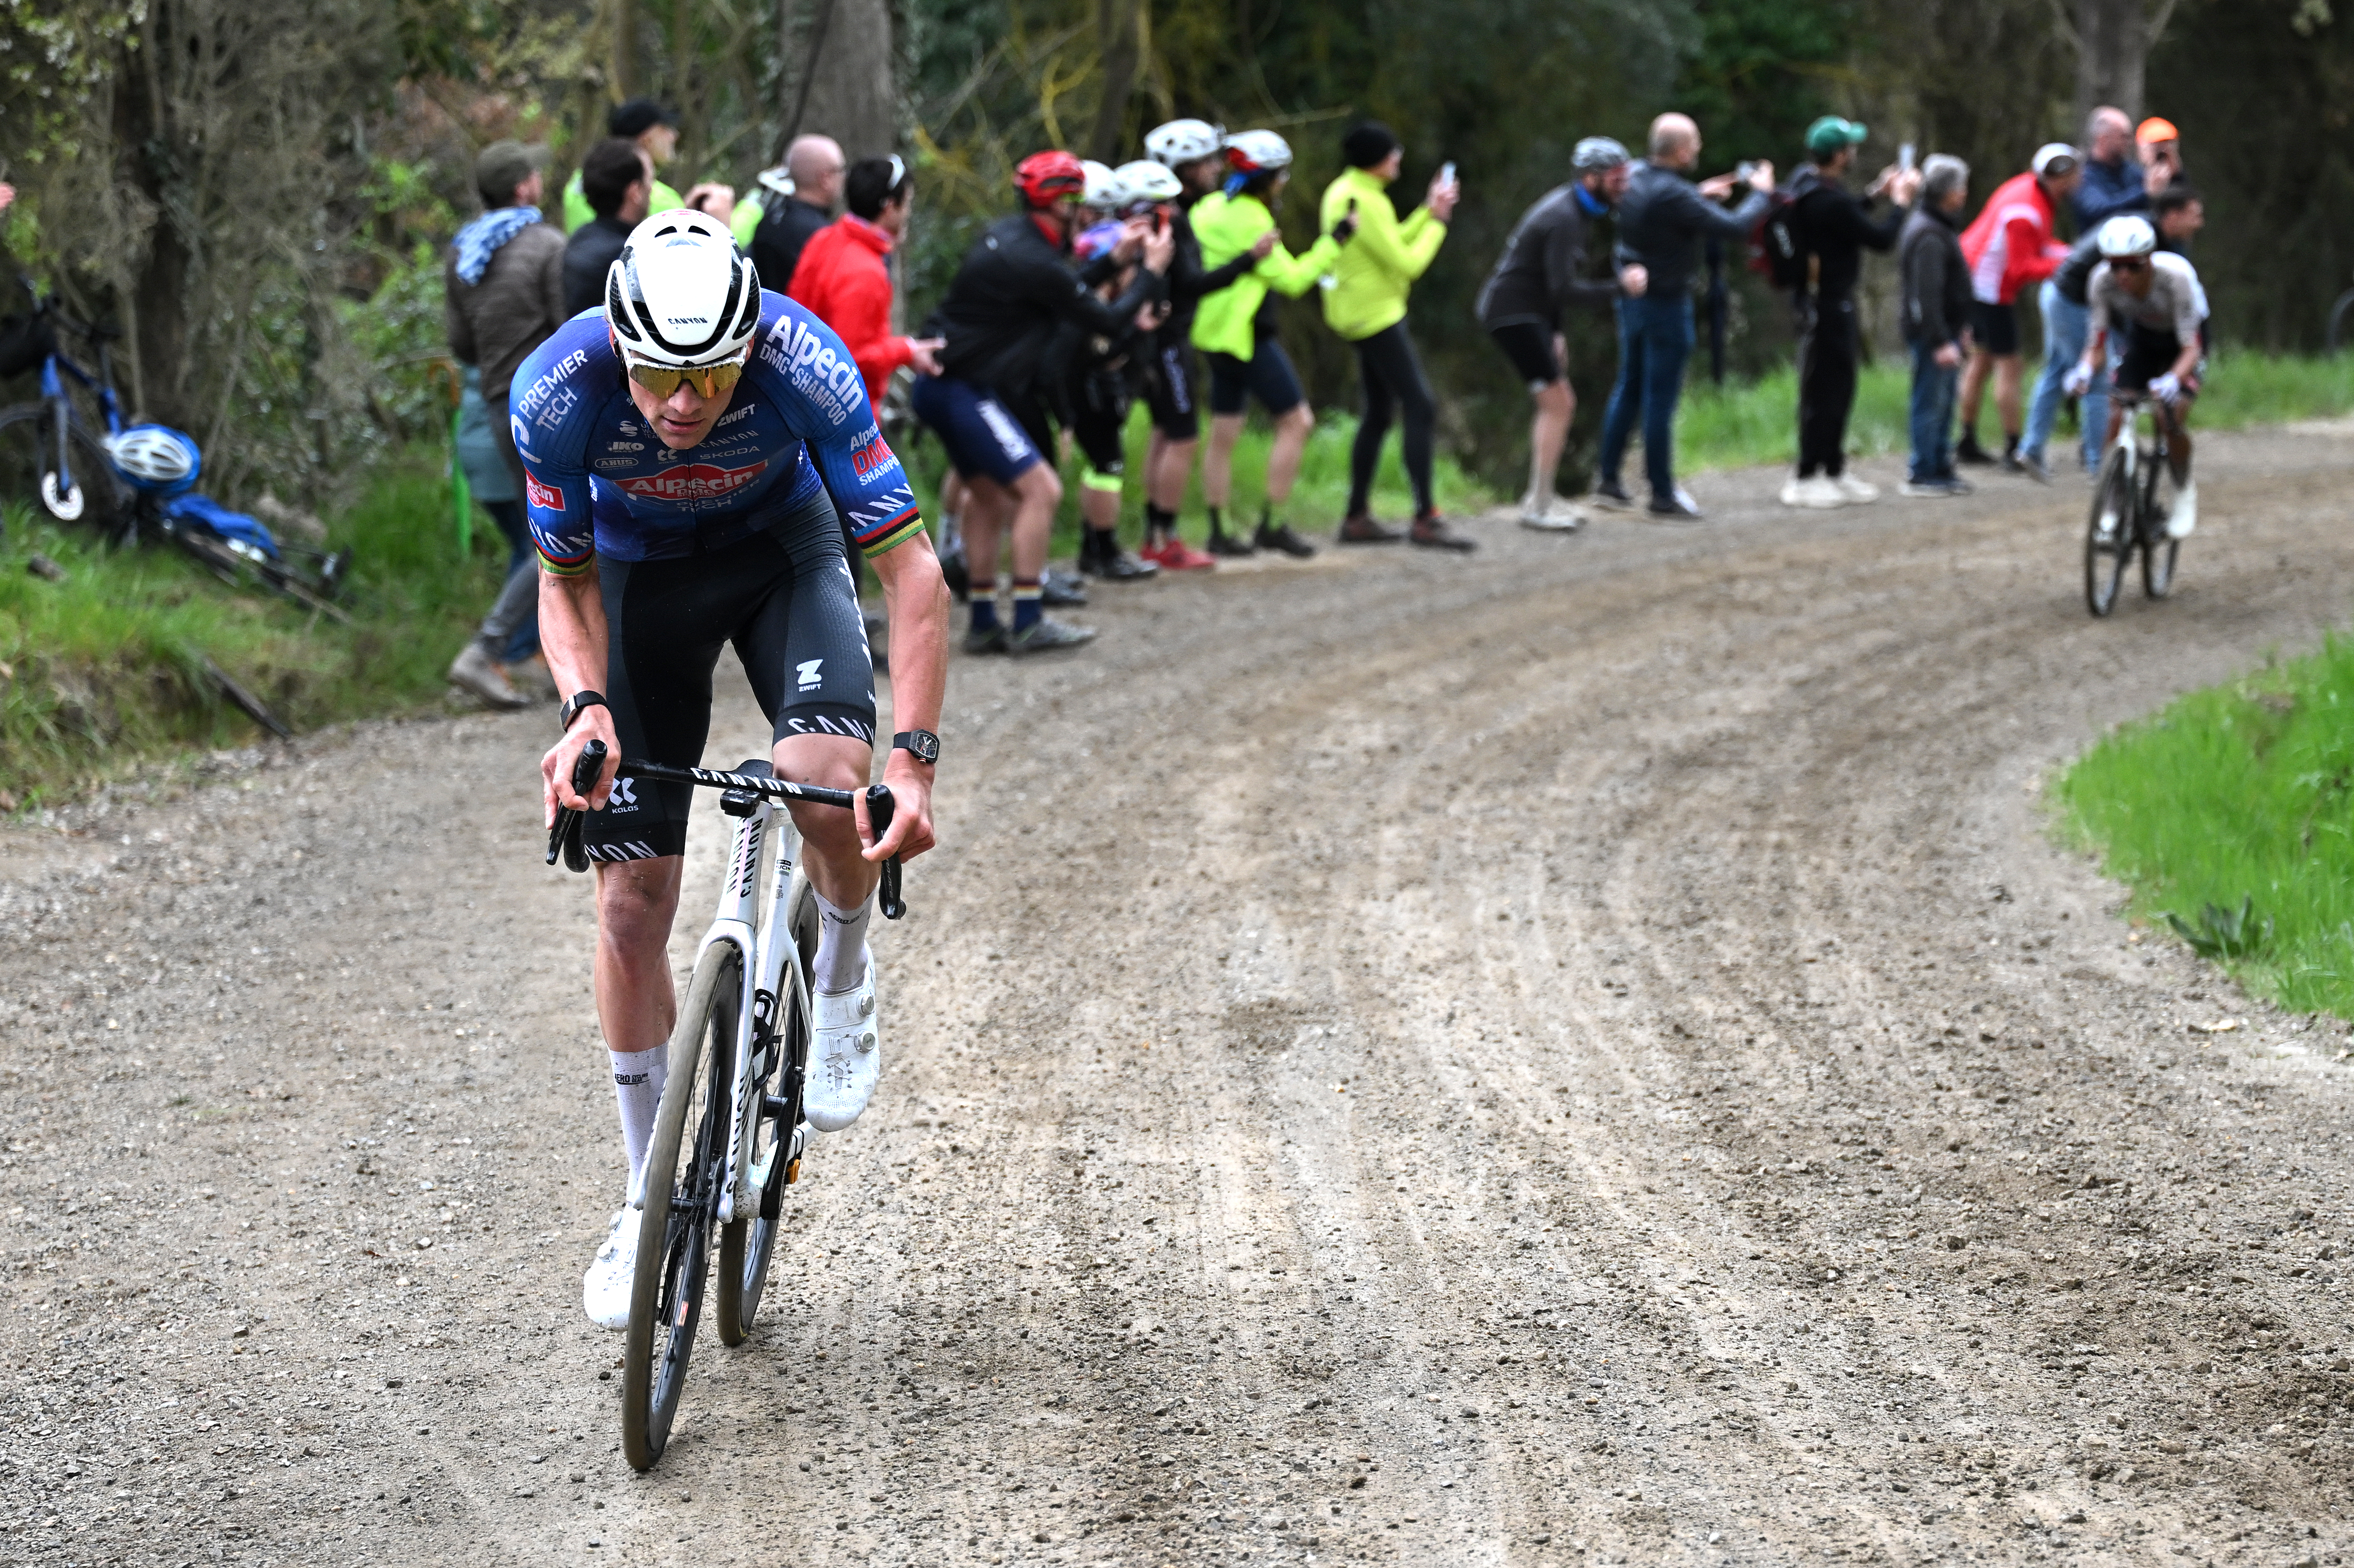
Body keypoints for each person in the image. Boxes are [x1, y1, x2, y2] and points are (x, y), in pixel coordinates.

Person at [520, 211, 948, 1328]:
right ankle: (641, 1199)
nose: (683, 402)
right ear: (622, 346)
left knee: (820, 782)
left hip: (780, 558)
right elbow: (559, 583)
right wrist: (583, 710)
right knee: (629, 908)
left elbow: (910, 574)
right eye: (659, 372)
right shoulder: (558, 391)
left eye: (711, 373)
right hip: (633, 585)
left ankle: (844, 978)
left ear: (746, 348)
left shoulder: (807, 362)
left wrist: (913, 763)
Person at [910, 150, 1172, 653]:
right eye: (1082, 206)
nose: (1087, 217)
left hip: (946, 385)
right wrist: (1151, 273)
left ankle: (985, 622)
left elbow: (1061, 292)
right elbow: (1109, 320)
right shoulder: (1032, 258)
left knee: (987, 497)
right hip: (962, 389)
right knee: (1041, 490)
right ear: (1063, 205)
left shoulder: (1017, 241)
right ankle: (1029, 618)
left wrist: (1115, 263)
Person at [1598, 112, 1774, 519]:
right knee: (1660, 399)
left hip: (1631, 297)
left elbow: (1667, 208)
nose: (1699, 150)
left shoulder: (1637, 176)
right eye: (1695, 144)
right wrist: (1762, 194)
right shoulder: (1676, 195)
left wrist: (1699, 196)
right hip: (1665, 303)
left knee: (1629, 384)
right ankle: (1662, 493)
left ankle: (1608, 479)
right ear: (1680, 151)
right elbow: (1736, 228)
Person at [443, 138, 567, 709]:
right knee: (558, 534)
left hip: (498, 405)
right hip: (550, 402)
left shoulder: (463, 254)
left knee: (546, 531)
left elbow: (460, 345)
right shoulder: (546, 246)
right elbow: (571, 331)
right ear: (523, 187)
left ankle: (554, 659)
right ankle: (487, 649)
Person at [1189, 130, 1353, 556]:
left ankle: (1219, 530)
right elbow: (1296, 280)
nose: (1285, 182)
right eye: (1281, 175)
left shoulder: (1208, 208)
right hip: (1247, 337)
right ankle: (1273, 524)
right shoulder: (1252, 220)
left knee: (1224, 433)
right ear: (1264, 179)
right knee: (1297, 423)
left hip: (1212, 335)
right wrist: (1334, 242)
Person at [1476, 136, 1643, 532]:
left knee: (1555, 402)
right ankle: (1538, 503)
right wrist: (1622, 286)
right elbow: (1563, 289)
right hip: (1511, 314)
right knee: (1559, 403)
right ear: (1591, 178)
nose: (1625, 186)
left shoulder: (1576, 210)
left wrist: (1555, 332)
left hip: (1526, 313)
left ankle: (1541, 496)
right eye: (1618, 179)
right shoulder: (1565, 218)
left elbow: (1551, 287)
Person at [1319, 122, 1471, 550]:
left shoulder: (1350, 192)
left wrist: (1426, 210)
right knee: (1421, 405)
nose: (1400, 158)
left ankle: (1356, 516)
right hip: (1375, 317)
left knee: (1380, 412)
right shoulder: (1364, 201)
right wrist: (1439, 225)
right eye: (1395, 152)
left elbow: (1389, 244)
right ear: (1382, 160)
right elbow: (1407, 264)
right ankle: (1425, 516)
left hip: (1356, 313)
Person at [1135, 118, 1275, 571]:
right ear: (1183, 168)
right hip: (1169, 342)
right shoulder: (1173, 217)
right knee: (1182, 439)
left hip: (1160, 340)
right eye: (1207, 161)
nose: (1216, 169)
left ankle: (1153, 536)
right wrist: (1247, 260)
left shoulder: (1165, 212)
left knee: (1163, 435)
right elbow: (1192, 284)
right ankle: (1166, 539)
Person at [1780, 116, 1921, 509]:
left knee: (1839, 386)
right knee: (1824, 389)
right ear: (1841, 155)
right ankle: (1807, 475)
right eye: (1851, 147)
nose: (1855, 152)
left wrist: (1874, 194)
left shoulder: (1808, 183)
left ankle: (1833, 468)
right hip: (1827, 303)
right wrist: (1900, 203)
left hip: (1821, 299)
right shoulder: (1829, 199)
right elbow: (1880, 239)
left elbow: (1844, 220)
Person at [2071, 212, 2206, 539]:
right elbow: (2097, 342)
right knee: (2117, 412)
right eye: (2115, 265)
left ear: (2149, 261)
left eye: (2132, 265)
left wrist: (2174, 379)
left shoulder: (2176, 278)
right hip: (2144, 339)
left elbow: (2192, 348)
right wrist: (2085, 369)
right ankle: (2113, 500)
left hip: (2184, 342)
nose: (2123, 275)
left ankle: (2183, 487)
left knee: (2167, 416)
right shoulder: (2100, 281)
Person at [787, 155, 943, 415]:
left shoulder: (824, 238)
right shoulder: (865, 271)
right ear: (891, 207)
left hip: (804, 398)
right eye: (908, 204)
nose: (909, 213)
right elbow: (851, 358)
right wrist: (907, 350)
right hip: (844, 416)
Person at [1955, 142, 2079, 468]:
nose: (2068, 182)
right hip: (1989, 289)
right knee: (2009, 366)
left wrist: (2070, 253)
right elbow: (2021, 268)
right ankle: (2013, 447)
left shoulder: (2028, 190)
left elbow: (2040, 247)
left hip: (1973, 278)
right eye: (2061, 175)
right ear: (2045, 176)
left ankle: (1966, 440)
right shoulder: (2026, 211)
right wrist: (2067, 266)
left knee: (1980, 363)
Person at [1898, 155, 1974, 498]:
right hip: (1933, 336)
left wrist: (1961, 329)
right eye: (1961, 187)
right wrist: (1941, 339)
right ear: (1949, 192)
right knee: (1930, 401)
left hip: (1948, 333)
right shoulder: (1929, 233)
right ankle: (1924, 469)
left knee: (1944, 401)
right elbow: (1925, 295)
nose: (1965, 194)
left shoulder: (1938, 226)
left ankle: (1941, 464)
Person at [560, 98, 732, 234]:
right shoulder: (659, 198)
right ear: (646, 140)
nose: (674, 135)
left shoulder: (578, 182)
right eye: (665, 129)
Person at [562, 139, 654, 317]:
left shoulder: (580, 239)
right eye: (651, 179)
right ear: (635, 192)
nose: (652, 188)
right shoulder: (629, 259)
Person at [750, 136, 845, 298]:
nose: (844, 176)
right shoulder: (822, 236)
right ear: (825, 179)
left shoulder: (767, 222)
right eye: (840, 170)